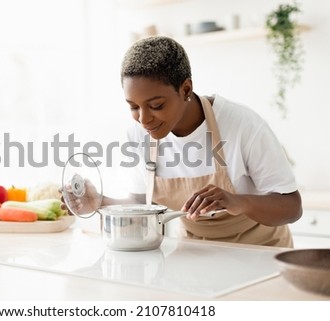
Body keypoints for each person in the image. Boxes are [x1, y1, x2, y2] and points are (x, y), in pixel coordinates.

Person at [63, 36, 302, 247]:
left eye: (156, 106)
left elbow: (292, 207)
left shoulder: (242, 125)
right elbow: (142, 204)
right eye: (134, 107)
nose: (144, 119)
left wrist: (237, 201)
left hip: (260, 251)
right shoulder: (138, 135)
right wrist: (100, 202)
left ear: (186, 89)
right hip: (196, 251)